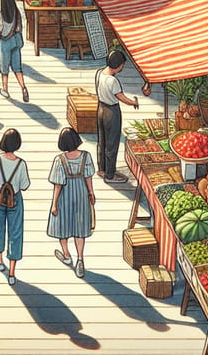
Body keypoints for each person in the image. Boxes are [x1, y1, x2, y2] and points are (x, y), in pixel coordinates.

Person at [47, 127, 96, 279]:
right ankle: (80, 259)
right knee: (80, 228)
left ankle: (67, 255)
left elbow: (58, 185)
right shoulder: (86, 157)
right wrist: (91, 192)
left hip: (65, 195)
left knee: (63, 226)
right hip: (81, 193)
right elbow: (88, 177)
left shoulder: (59, 160)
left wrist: (54, 203)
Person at [0, 128, 31, 285]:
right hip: (15, 200)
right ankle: (12, 272)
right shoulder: (21, 164)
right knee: (15, 233)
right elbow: (25, 185)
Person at [95, 50, 139, 184]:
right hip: (111, 112)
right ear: (119, 65)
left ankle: (102, 169)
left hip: (100, 108)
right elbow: (121, 97)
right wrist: (133, 102)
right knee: (112, 144)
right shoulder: (113, 81)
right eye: (122, 66)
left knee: (102, 141)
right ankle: (110, 175)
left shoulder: (99, 73)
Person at [0, 0, 29, 102]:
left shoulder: (1, 16)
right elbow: (20, 26)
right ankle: (23, 87)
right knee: (17, 67)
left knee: (4, 67)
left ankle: (5, 89)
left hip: (5, 42)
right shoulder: (17, 12)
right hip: (16, 40)